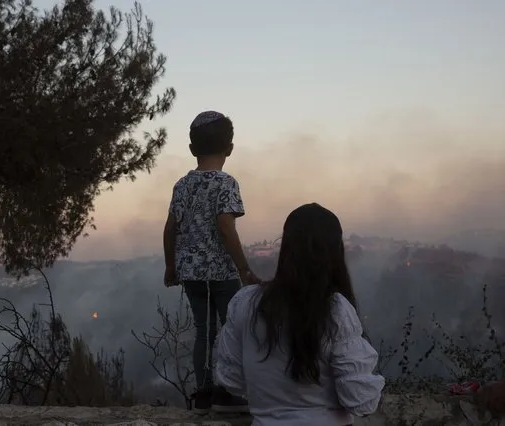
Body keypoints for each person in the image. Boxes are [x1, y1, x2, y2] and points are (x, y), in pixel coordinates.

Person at [215, 203, 385, 425]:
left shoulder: (244, 302)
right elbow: (361, 401)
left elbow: (232, 380)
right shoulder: (335, 309)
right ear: (335, 251)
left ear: (286, 246)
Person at [163, 110, 259, 414]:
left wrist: (171, 267)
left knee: (204, 330)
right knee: (234, 328)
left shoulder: (182, 185)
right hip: (221, 272)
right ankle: (228, 391)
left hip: (190, 272)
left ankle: (204, 393)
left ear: (192, 149)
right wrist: (244, 269)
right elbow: (225, 226)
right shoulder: (226, 183)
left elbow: (169, 229)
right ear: (229, 148)